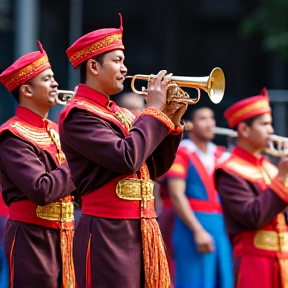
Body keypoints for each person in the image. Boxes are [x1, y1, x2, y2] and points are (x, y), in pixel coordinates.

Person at [58, 13, 186, 288]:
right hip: (107, 231)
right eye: (117, 61)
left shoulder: (123, 114)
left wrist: (171, 122)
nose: (125, 69)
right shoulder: (78, 114)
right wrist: (152, 111)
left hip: (142, 227)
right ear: (93, 66)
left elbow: (153, 168)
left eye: (123, 61)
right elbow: (126, 158)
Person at [0, 41, 76, 288]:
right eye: (47, 79)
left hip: (67, 235)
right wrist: (84, 162)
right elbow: (41, 189)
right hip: (32, 238)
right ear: (27, 91)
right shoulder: (12, 135)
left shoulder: (57, 131)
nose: (55, 83)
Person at [214, 88, 288, 288]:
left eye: (270, 124)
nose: (271, 131)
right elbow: (252, 216)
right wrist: (282, 178)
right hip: (254, 263)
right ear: (244, 130)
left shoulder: (269, 167)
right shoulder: (229, 171)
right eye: (264, 124)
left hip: (283, 261)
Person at [166, 107, 234, 288]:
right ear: (190, 125)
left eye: (212, 118)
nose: (210, 123)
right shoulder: (181, 152)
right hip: (193, 225)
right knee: (194, 281)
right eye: (203, 118)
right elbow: (176, 194)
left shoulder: (220, 154)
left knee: (224, 280)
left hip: (220, 226)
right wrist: (198, 230)